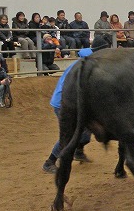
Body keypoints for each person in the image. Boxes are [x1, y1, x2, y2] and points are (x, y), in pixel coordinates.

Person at [42, 46, 104, 174]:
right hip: (63, 104)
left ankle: (78, 151)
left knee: (87, 129)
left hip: (72, 104)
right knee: (69, 135)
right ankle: (50, 162)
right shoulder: (77, 70)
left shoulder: (83, 67)